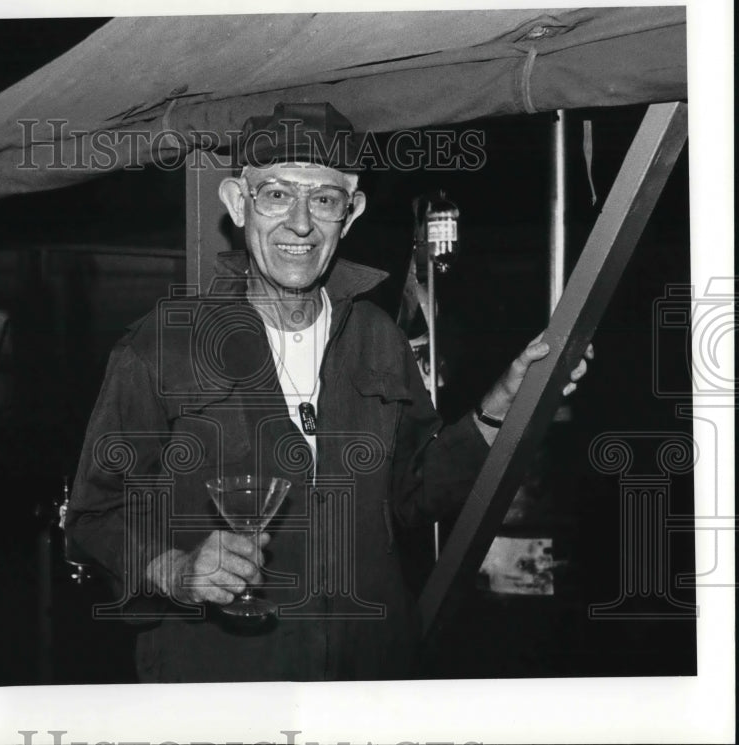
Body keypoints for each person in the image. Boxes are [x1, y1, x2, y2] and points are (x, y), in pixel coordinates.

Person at [67, 102, 591, 682]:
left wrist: (503, 403)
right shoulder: (160, 347)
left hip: (370, 676)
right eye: (276, 195)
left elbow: (413, 494)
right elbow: (94, 515)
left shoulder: (378, 339)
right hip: (224, 681)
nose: (300, 223)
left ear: (352, 211)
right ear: (238, 204)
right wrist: (174, 569)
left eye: (323, 199)